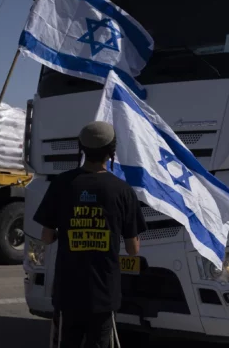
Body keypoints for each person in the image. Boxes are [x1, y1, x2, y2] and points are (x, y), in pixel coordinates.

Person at [34, 121, 147, 348]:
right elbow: (133, 249)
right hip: (103, 291)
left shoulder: (62, 183)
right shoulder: (122, 190)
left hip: (68, 288)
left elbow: (46, 237)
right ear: (111, 152)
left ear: (82, 149)